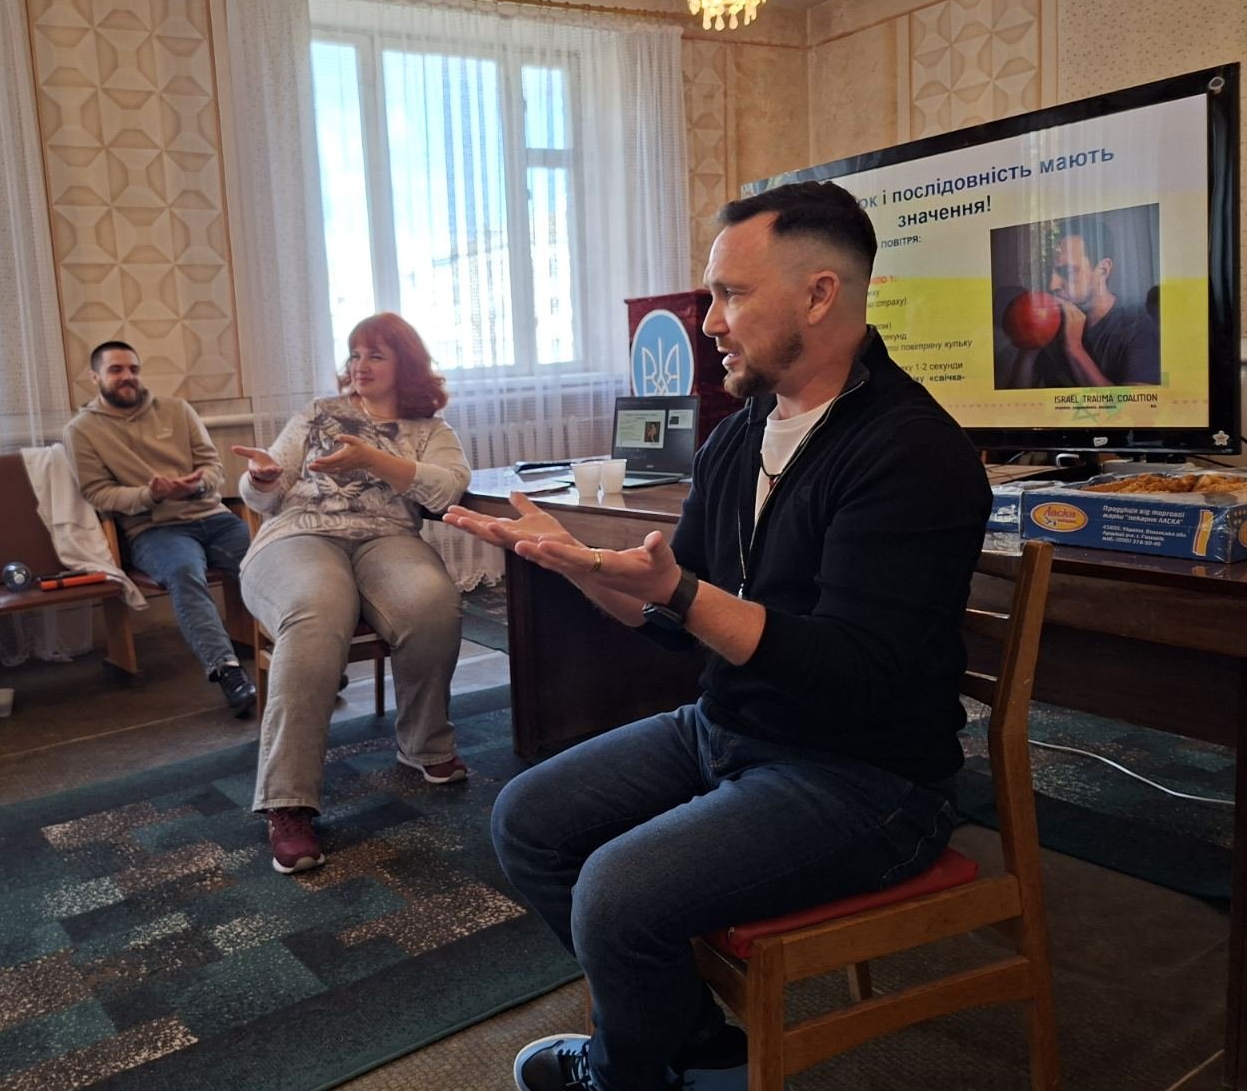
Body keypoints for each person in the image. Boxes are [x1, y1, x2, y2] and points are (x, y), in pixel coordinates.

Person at [445, 181, 991, 1091]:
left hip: (870, 780)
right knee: (528, 822)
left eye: (732, 294)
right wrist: (577, 564)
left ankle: (630, 1072)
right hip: (731, 730)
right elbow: (671, 621)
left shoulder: (911, 451)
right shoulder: (742, 436)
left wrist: (681, 593)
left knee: (615, 893)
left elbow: (851, 672)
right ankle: (691, 1048)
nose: (709, 323)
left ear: (819, 295)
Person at [232, 312, 471, 875]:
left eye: (375, 355)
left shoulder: (431, 431)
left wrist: (373, 458)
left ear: (406, 365)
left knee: (432, 602)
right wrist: (261, 478)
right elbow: (265, 491)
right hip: (298, 535)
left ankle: (425, 745)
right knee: (317, 609)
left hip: (387, 538)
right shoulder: (318, 413)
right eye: (355, 354)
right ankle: (287, 802)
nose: (359, 365)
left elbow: (447, 489)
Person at [65, 340, 256, 718]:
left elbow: (213, 467)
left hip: (212, 515)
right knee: (185, 573)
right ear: (95, 378)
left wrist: (196, 486)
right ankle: (228, 671)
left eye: (133, 369)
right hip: (154, 529)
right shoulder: (81, 430)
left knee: (267, 560)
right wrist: (150, 494)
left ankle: (299, 654)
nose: (127, 377)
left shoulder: (177, 410)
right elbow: (97, 493)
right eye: (116, 370)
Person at [1011, 216, 1160, 388]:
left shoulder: (1139, 326)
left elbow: (1138, 404)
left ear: (1103, 270)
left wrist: (1074, 349)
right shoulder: (1053, 322)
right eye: (1048, 272)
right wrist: (1028, 350)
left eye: (1067, 271)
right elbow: (1017, 400)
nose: (1052, 284)